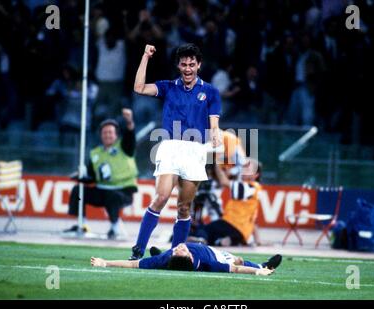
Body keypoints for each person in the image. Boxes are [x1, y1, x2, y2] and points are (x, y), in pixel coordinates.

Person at [130, 43, 222, 259]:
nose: (188, 68)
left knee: (184, 207)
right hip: (170, 147)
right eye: (184, 64)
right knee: (160, 198)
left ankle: (176, 254)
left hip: (196, 150)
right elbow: (139, 88)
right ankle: (138, 250)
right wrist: (145, 56)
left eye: (192, 64)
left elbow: (214, 122)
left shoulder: (210, 92)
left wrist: (216, 133)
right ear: (178, 66)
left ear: (199, 65)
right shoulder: (168, 86)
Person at [64, 108, 138, 239]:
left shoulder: (124, 147)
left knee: (113, 197)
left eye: (110, 132)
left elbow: (130, 136)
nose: (107, 135)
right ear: (100, 135)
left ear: (116, 135)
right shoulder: (95, 153)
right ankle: (82, 224)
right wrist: (79, 178)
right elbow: (92, 177)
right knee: (78, 190)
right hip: (102, 190)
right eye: (104, 132)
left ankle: (114, 228)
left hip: (123, 191)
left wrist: (129, 122)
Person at [189, 158, 263, 247]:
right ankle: (225, 240)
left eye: (247, 169)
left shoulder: (250, 187)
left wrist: (216, 164)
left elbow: (224, 182)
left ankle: (201, 239)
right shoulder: (256, 190)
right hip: (242, 232)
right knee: (216, 234)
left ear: (256, 175)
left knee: (203, 229)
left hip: (232, 224)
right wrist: (258, 240)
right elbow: (253, 219)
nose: (243, 170)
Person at [91, 242, 282, 276]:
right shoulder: (208, 263)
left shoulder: (168, 257)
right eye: (181, 249)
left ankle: (155, 255)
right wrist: (257, 271)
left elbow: (132, 264)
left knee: (157, 262)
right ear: (190, 256)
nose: (179, 246)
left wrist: (105, 262)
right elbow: (237, 270)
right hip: (211, 252)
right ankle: (264, 264)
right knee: (238, 260)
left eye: (177, 250)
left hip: (164, 260)